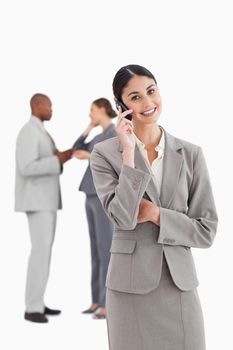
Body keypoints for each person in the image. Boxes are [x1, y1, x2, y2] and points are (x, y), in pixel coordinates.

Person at [90, 65, 218, 349]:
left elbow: (206, 231)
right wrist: (128, 154)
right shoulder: (104, 154)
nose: (148, 103)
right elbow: (122, 218)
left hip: (179, 285)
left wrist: (158, 215)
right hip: (129, 289)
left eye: (151, 91)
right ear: (121, 105)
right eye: (135, 97)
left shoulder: (191, 154)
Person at [15, 93, 73, 323]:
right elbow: (26, 167)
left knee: (44, 253)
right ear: (37, 105)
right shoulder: (29, 131)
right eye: (49, 106)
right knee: (40, 253)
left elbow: (46, 160)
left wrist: (62, 157)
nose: (52, 110)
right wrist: (57, 160)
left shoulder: (40, 131)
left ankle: (37, 302)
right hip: (37, 201)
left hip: (45, 201)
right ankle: (32, 308)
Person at [72, 98, 117, 319]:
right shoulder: (99, 135)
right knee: (95, 249)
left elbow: (115, 160)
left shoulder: (115, 132)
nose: (90, 113)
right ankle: (96, 300)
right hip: (89, 194)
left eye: (92, 111)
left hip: (102, 195)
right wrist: (89, 127)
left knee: (105, 246)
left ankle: (108, 304)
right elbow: (75, 149)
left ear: (101, 109)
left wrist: (90, 156)